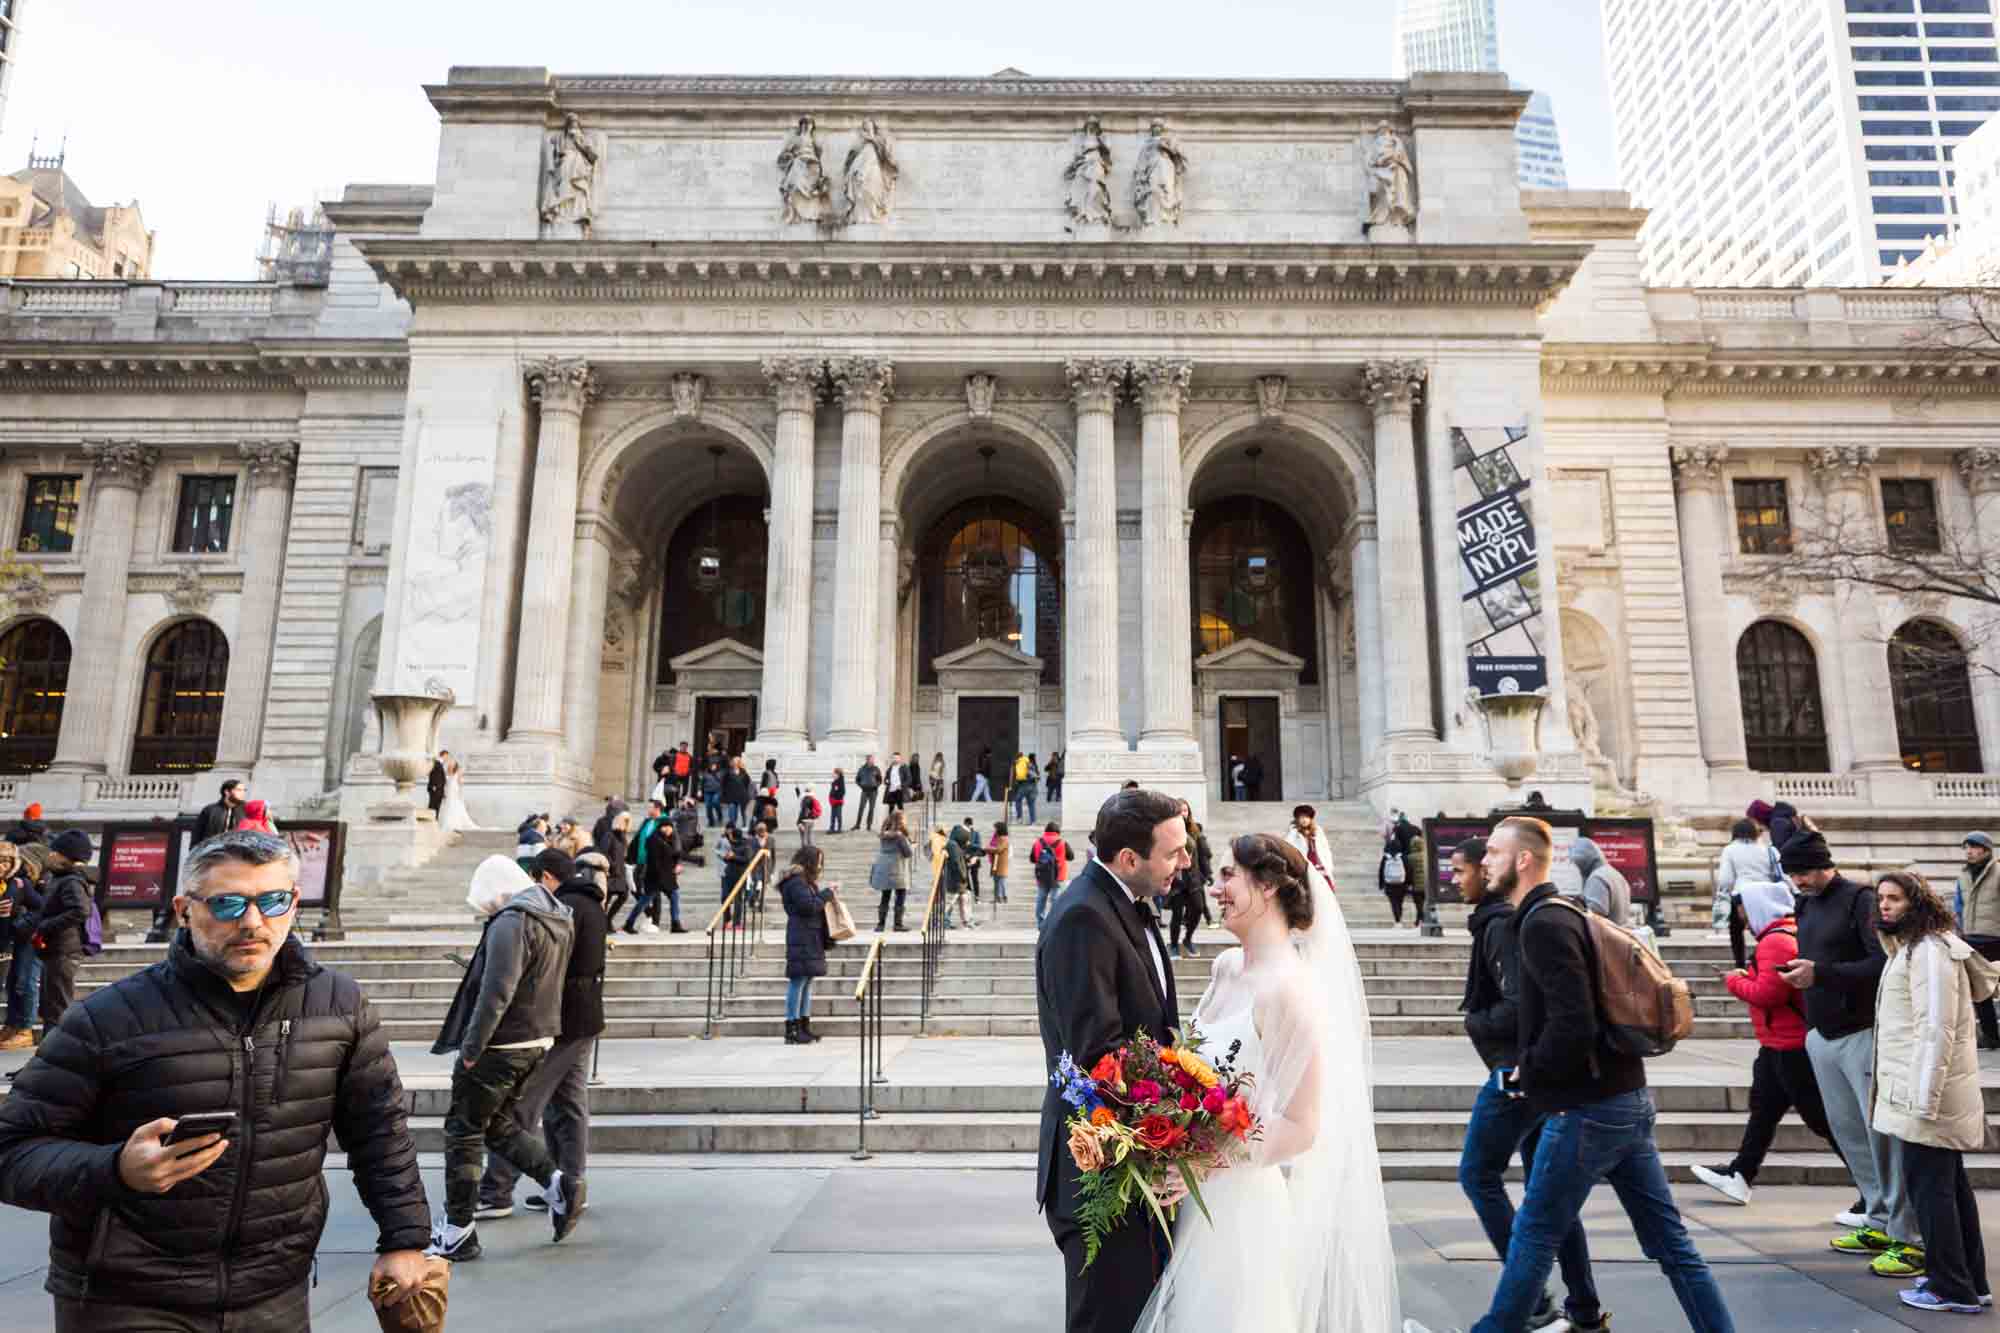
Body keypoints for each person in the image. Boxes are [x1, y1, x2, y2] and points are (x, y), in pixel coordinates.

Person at [0, 830, 433, 1330]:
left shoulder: (340, 1006)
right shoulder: (108, 1018)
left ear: (293, 904)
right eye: (227, 904)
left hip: (274, 1292)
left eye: (272, 901)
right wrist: (115, 1169)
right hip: (126, 1296)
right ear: (185, 909)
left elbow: (380, 1131)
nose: (253, 922)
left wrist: (404, 1239)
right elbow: (12, 1150)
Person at [1408, 816, 1735, 1333]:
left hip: (1588, 1107)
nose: (1484, 860)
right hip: (1627, 1098)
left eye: (1493, 852)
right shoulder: (1565, 911)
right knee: (1672, 1245)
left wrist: (1525, 1072)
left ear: (1522, 860)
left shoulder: (1541, 923)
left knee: (1534, 1234)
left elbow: (1573, 1021)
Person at [1133, 829, 1398, 1333]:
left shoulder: (1292, 993)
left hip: (1239, 1214)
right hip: (1186, 1201)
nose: (1214, 889)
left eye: (1229, 875)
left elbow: (1301, 1125)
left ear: (1270, 885)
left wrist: (1205, 1160)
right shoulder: (1226, 967)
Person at [1036, 789, 1190, 1333]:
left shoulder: (1123, 909)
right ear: (1130, 859)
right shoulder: (1084, 918)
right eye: (1174, 852)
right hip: (1105, 1171)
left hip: (1135, 1168)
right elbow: (1099, 1056)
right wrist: (1180, 1120)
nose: (1187, 862)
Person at [1451, 836, 1602, 1333]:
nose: (1456, 878)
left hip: (1516, 1073)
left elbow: (1521, 1006)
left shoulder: (1498, 926)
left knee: (1479, 1174)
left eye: (1463, 869)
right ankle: (1582, 1309)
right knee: (1549, 1192)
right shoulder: (1499, 923)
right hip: (1536, 1073)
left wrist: (1477, 1023)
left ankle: (1534, 1300)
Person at [428, 852, 583, 1259]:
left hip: (500, 1044)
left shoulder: (513, 921)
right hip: (537, 1038)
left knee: (463, 1131)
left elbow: (497, 991)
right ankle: (557, 1182)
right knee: (494, 1123)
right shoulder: (555, 915)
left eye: (490, 904)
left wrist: (472, 1047)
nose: (491, 912)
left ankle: (458, 1227)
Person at [1776, 831, 1917, 1273]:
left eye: (1802, 872)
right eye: (1791, 874)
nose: (1797, 881)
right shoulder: (1806, 903)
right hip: (1822, 1033)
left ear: (1823, 864)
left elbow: (1882, 964)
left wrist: (1822, 974)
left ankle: (1906, 1234)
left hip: (1861, 1031)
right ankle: (1876, 1216)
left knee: (1881, 1137)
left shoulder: (1859, 899)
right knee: (1850, 1132)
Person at [1870, 869, 1998, 1315]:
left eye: (1895, 899)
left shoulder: (1927, 952)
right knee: (1948, 1190)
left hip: (1927, 1097)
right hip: (1924, 1093)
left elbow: (1935, 1030)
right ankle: (1969, 1282)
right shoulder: (1912, 949)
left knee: (1933, 1194)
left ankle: (1951, 1288)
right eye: (1881, 899)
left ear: (1916, 904)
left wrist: (1923, 1100)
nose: (1884, 906)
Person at [1692, 881, 1843, 1208]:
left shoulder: (1775, 940)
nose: (1743, 919)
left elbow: (1769, 994)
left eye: (1744, 910)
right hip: (1778, 1044)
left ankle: (1873, 1190)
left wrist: (1734, 980)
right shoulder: (1784, 934)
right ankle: (1741, 1175)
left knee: (1821, 1119)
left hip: (1790, 1046)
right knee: (1763, 1111)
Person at [477, 846, 608, 1221]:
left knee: (523, 1103)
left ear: (548, 876)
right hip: (585, 1016)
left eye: (537, 879)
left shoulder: (561, 908)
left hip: (561, 1018)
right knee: (568, 1104)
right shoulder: (590, 905)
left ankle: (497, 1191)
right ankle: (571, 1185)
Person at [32, 830, 95, 1034]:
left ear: (67, 856)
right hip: (56, 948)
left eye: (55, 852)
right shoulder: (62, 878)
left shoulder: (71, 881)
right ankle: (48, 1056)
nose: (50, 855)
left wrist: (46, 925)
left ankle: (56, 1056)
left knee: (57, 1006)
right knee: (51, 1005)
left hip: (64, 949)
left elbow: (79, 910)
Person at [780, 846, 838, 1044]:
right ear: (809, 861)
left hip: (809, 935)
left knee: (807, 981)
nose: (820, 865)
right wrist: (826, 894)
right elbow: (808, 906)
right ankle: (792, 1028)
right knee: (798, 982)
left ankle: (804, 1026)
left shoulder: (804, 881)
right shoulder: (796, 882)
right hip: (802, 935)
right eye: (818, 861)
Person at [1954, 831, 2000, 1050]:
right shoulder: (1963, 875)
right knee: (1979, 991)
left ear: (1986, 850)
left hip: (1996, 938)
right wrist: (1960, 930)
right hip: (1971, 939)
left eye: (1974, 847)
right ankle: (1991, 1037)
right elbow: (1958, 905)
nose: (1969, 851)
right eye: (1966, 847)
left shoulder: (1998, 872)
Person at [0, 842, 37, 1050]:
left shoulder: (20, 884)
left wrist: (21, 923)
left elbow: (40, 907)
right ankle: (12, 1024)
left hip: (21, 940)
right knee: (12, 983)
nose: (1, 866)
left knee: (23, 980)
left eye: (6, 862)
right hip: (4, 943)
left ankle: (25, 1028)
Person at [1712, 818, 1774, 937]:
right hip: (1767, 893)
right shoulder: (1767, 849)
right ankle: (1764, 953)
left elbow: (1726, 879)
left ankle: (1739, 955)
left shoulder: (1730, 849)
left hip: (1742, 894)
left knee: (1736, 929)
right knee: (1767, 929)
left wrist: (1725, 893)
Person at [1168, 802, 1213, 959]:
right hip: (1177, 879)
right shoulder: (1168, 831)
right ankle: (1173, 945)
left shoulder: (1195, 832)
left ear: (1189, 812)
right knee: (1177, 914)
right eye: (1180, 811)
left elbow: (1204, 855)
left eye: (1185, 810)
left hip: (1194, 878)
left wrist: (1208, 874)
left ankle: (1188, 939)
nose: (1183, 813)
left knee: (1198, 908)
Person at [629, 808, 682, 935]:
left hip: (665, 877)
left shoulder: (664, 839)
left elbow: (671, 855)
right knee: (644, 901)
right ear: (663, 827)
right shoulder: (654, 840)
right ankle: (629, 923)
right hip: (656, 877)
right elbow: (655, 861)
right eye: (669, 827)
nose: (671, 830)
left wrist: (675, 864)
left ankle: (676, 923)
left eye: (671, 827)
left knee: (674, 896)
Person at [1568, 836, 1630, 924]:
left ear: (1587, 860)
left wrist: (1576, 908)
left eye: (1579, 863)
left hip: (1606, 936)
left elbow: (1595, 914)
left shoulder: (1597, 878)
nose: (1579, 868)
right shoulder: (1614, 873)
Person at [871, 810, 913, 932]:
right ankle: (898, 924)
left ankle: (880, 924)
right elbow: (908, 853)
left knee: (885, 896)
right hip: (897, 868)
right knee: (900, 896)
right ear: (901, 820)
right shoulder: (900, 836)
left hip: (884, 868)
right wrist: (912, 846)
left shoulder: (884, 835)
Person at [1284, 804, 1337, 897]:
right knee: (1308, 895)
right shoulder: (1294, 833)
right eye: (1301, 817)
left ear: (1311, 818)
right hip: (1304, 867)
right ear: (1297, 819)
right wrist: (1292, 831)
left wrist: (1329, 866)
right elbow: (1286, 846)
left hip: (1319, 867)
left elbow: (1326, 849)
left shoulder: (1318, 831)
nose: (1304, 820)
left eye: (1307, 817)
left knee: (1325, 895)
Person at [1380, 810, 1421, 927]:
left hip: (1390, 883)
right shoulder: (1416, 829)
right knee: (1402, 901)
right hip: (1402, 881)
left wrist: (1381, 884)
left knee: (1394, 902)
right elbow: (1409, 871)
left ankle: (1398, 920)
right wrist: (1409, 882)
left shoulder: (1386, 857)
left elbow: (1381, 871)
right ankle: (1418, 919)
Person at [1031, 820, 1072, 931]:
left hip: (1042, 875)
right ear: (1057, 831)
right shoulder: (1062, 842)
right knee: (1056, 899)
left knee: (1041, 899)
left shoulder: (1038, 842)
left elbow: (1032, 859)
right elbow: (1071, 856)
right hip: (1058, 876)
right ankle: (1055, 923)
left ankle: (1041, 924)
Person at [435, 752, 480, 834]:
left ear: (455, 765)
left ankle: (454, 824)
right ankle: (446, 823)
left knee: (454, 806)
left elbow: (460, 784)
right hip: (448, 791)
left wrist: (460, 793)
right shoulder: (446, 772)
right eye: (450, 764)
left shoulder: (457, 773)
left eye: (452, 764)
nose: (450, 765)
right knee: (447, 807)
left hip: (454, 791)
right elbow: (444, 783)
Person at [944, 821, 977, 928]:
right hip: (956, 880)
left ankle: (967, 921)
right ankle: (944, 921)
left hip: (958, 879)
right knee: (950, 902)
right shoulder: (953, 845)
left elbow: (959, 859)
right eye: (966, 838)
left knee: (964, 899)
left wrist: (967, 861)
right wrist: (963, 875)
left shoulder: (955, 845)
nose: (967, 841)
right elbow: (956, 863)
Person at [194, 778, 244, 844]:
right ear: (227, 792)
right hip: (214, 850)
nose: (243, 793)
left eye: (244, 790)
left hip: (238, 851)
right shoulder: (210, 810)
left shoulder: (246, 810)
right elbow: (197, 834)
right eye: (239, 790)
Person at [722, 756, 753, 829]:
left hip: (742, 795)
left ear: (739, 763)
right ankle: (732, 826)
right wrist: (725, 793)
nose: (735, 763)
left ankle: (744, 823)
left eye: (737, 761)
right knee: (732, 811)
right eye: (734, 761)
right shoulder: (728, 772)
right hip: (731, 795)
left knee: (743, 811)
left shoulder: (743, 772)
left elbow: (747, 782)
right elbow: (724, 783)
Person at [855, 754, 883, 831]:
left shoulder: (876, 769)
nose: (871, 761)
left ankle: (869, 825)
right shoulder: (862, 769)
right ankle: (857, 824)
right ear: (867, 760)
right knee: (861, 808)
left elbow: (880, 780)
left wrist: (876, 786)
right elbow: (857, 779)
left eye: (872, 759)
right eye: (870, 759)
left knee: (871, 808)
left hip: (873, 791)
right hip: (864, 791)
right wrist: (861, 786)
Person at [990, 820, 1012, 910]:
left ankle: (1001, 897)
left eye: (995, 828)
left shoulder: (1004, 839)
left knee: (1000, 881)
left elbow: (998, 849)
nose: (994, 830)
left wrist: (988, 849)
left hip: (1001, 863)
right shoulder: (998, 838)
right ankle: (999, 897)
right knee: (997, 880)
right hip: (996, 862)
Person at [701, 762, 723, 828]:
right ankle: (711, 821)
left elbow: (722, 781)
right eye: (712, 766)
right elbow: (702, 782)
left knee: (715, 802)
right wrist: (699, 790)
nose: (713, 767)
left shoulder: (719, 773)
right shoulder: (705, 773)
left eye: (714, 766)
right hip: (707, 791)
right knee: (708, 806)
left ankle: (719, 814)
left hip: (717, 791)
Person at [828, 770, 847, 834]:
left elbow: (843, 792)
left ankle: (839, 828)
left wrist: (835, 796)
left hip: (838, 801)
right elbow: (833, 791)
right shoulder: (834, 782)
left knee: (838, 815)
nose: (833, 775)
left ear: (838, 775)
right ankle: (832, 828)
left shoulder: (841, 782)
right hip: (833, 801)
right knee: (832, 815)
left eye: (834, 774)